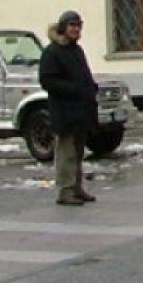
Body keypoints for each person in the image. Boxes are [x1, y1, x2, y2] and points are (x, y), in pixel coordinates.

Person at [39, 10, 98, 206]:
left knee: (78, 152)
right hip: (64, 111)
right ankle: (65, 190)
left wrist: (90, 88)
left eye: (78, 26)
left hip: (81, 110)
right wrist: (74, 88)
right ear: (63, 27)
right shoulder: (52, 51)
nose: (75, 29)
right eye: (72, 25)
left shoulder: (76, 50)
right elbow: (47, 80)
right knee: (66, 153)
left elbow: (84, 75)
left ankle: (77, 187)